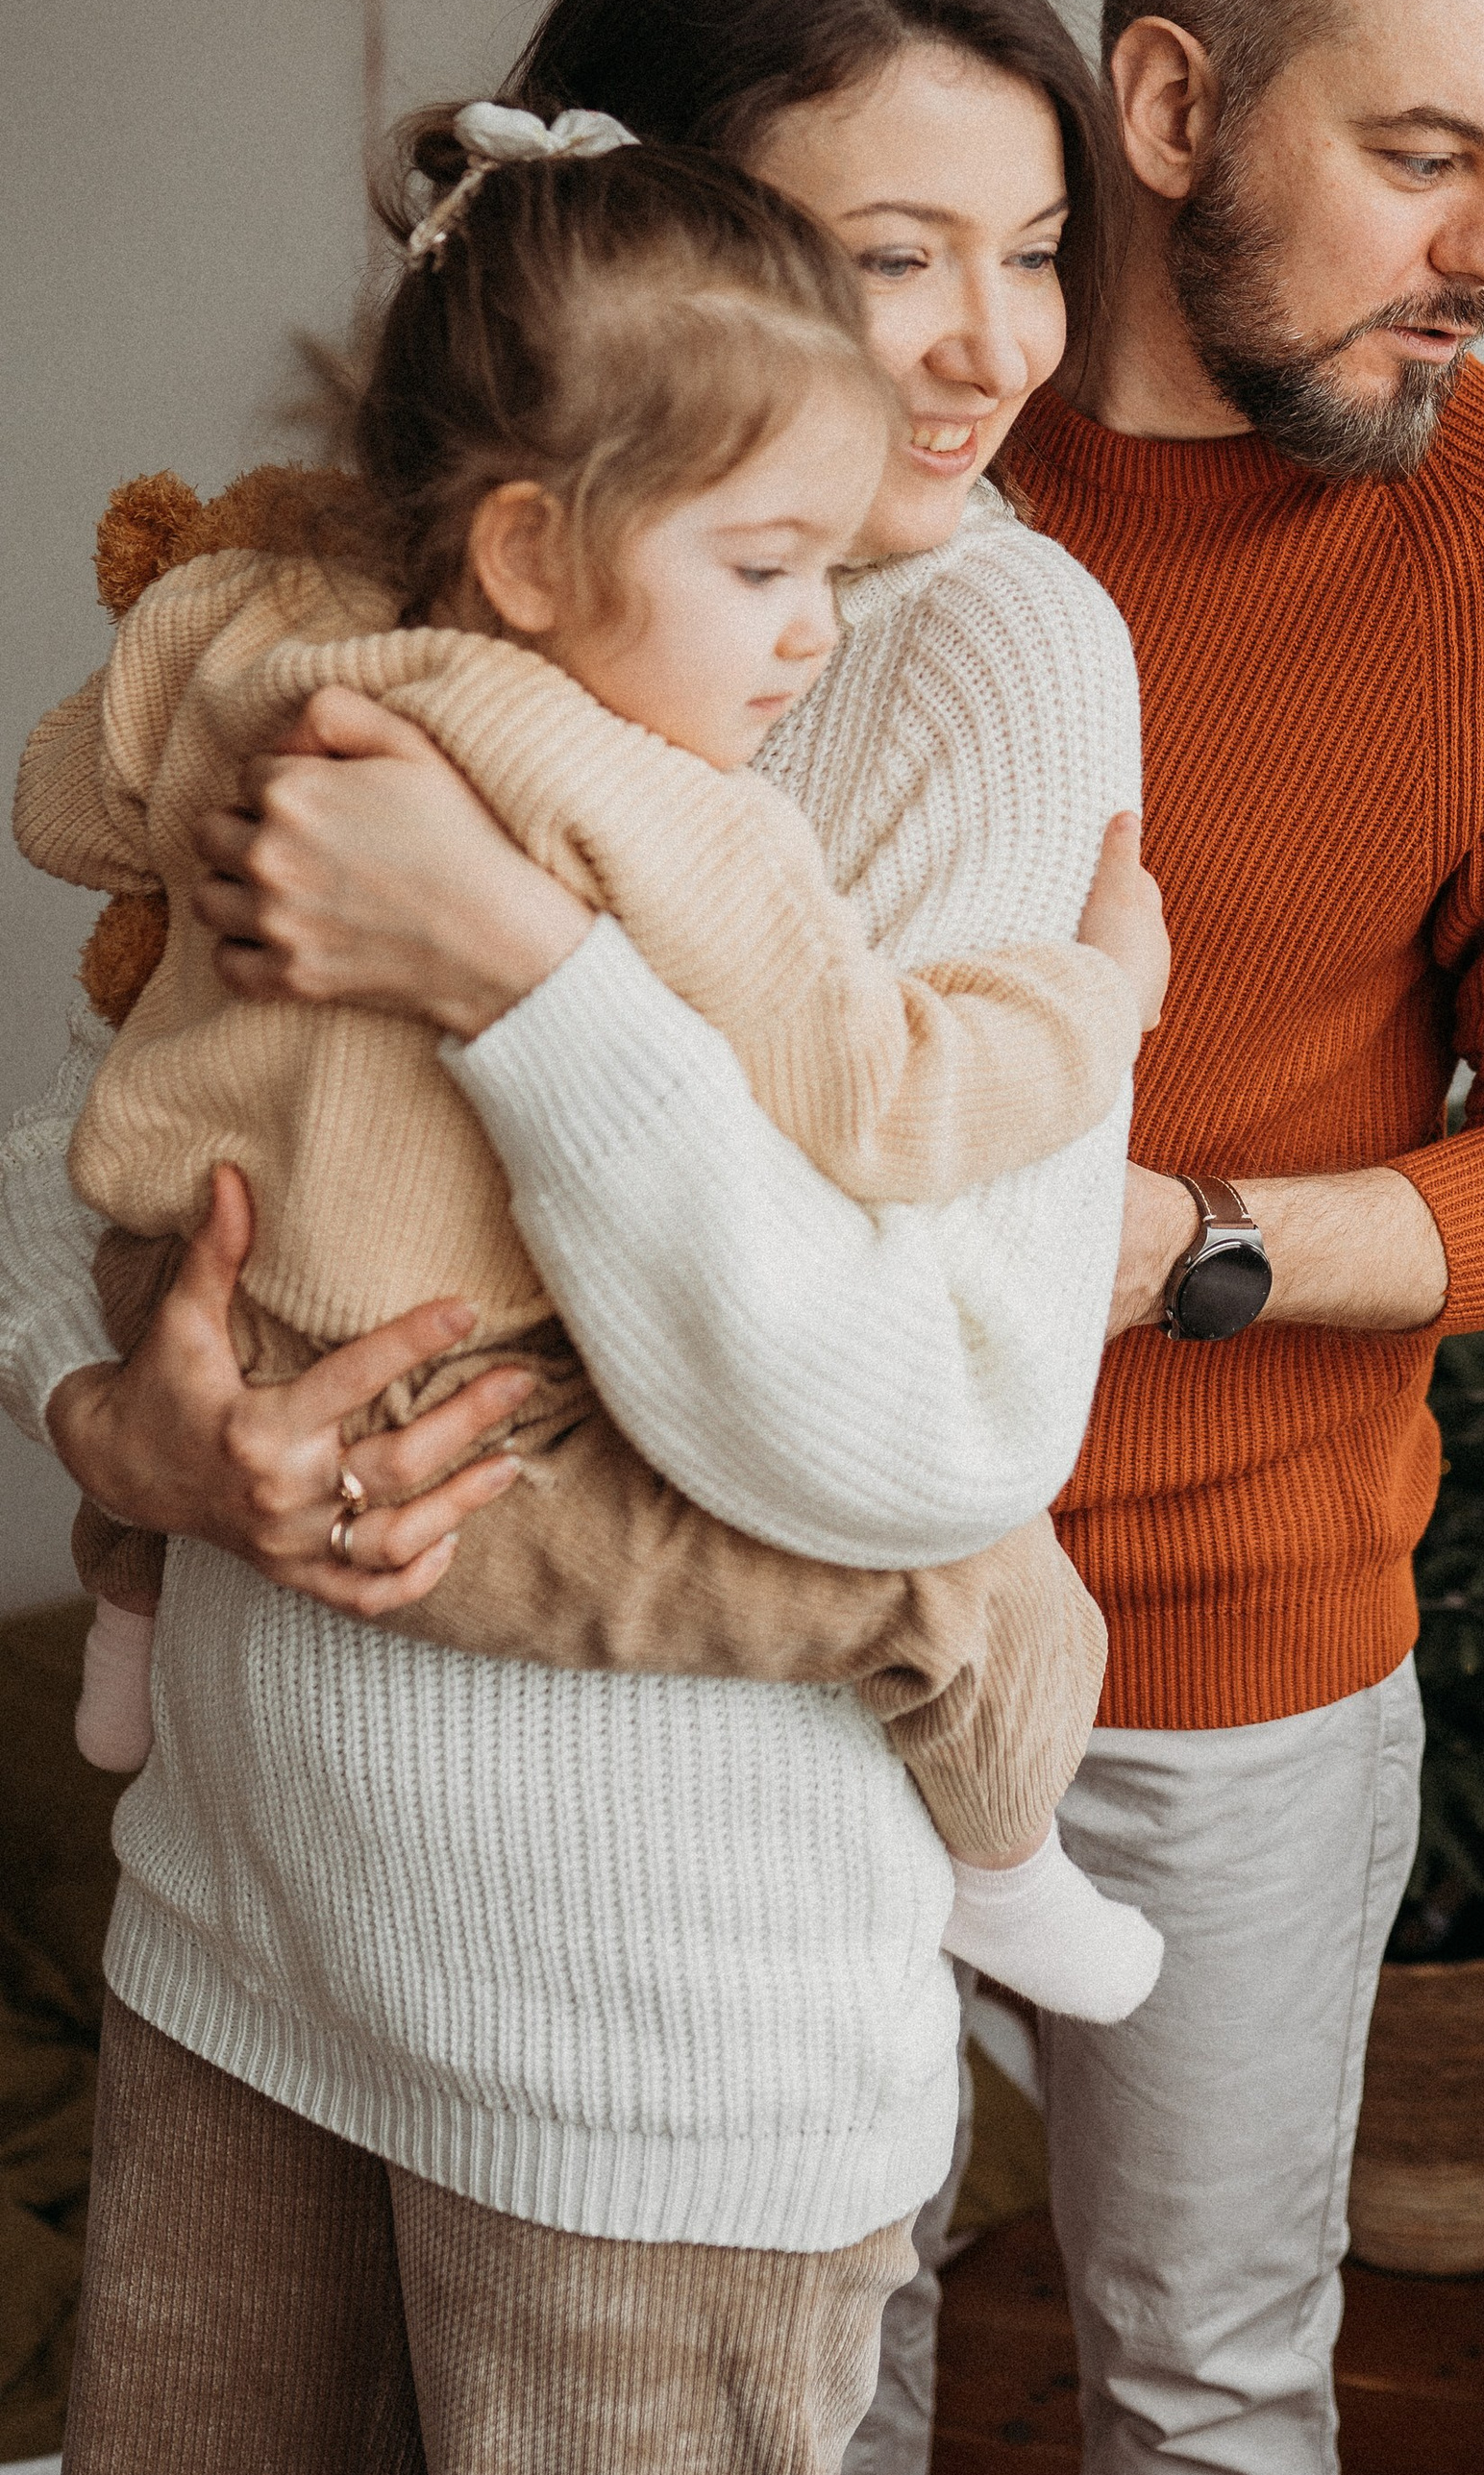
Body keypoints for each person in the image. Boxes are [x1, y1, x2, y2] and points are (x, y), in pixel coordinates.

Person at [122, 0, 1484, 2475]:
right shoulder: (712, 521)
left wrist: (1199, 1245)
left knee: (1206, 2375)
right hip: (719, 1671)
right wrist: (126, 1411)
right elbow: (253, 1086)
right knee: (830, 2384)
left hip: (1221, 1631)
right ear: (1172, 103)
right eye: (1426, 156)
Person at [0, 0, 1163, 2475]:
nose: (995, 345)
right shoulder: (379, 581)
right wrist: (117, 1426)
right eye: (894, 258)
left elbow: (924, 1433)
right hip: (245, 1932)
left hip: (647, 2038)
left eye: (1034, 253)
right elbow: (110, 1117)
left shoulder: (996, 661)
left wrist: (514, 972)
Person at [19, 104, 1168, 2025]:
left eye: (1039, 246)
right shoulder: (655, 797)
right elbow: (877, 1090)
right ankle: (1004, 1855)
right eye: (763, 569)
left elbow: (69, 799)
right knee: (968, 1592)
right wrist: (1099, 1002)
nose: (807, 636)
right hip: (438, 1427)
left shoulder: (259, 622)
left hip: (184, 1282)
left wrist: (210, 744)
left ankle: (122, 1621)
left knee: (172, 1334)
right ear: (540, 547)